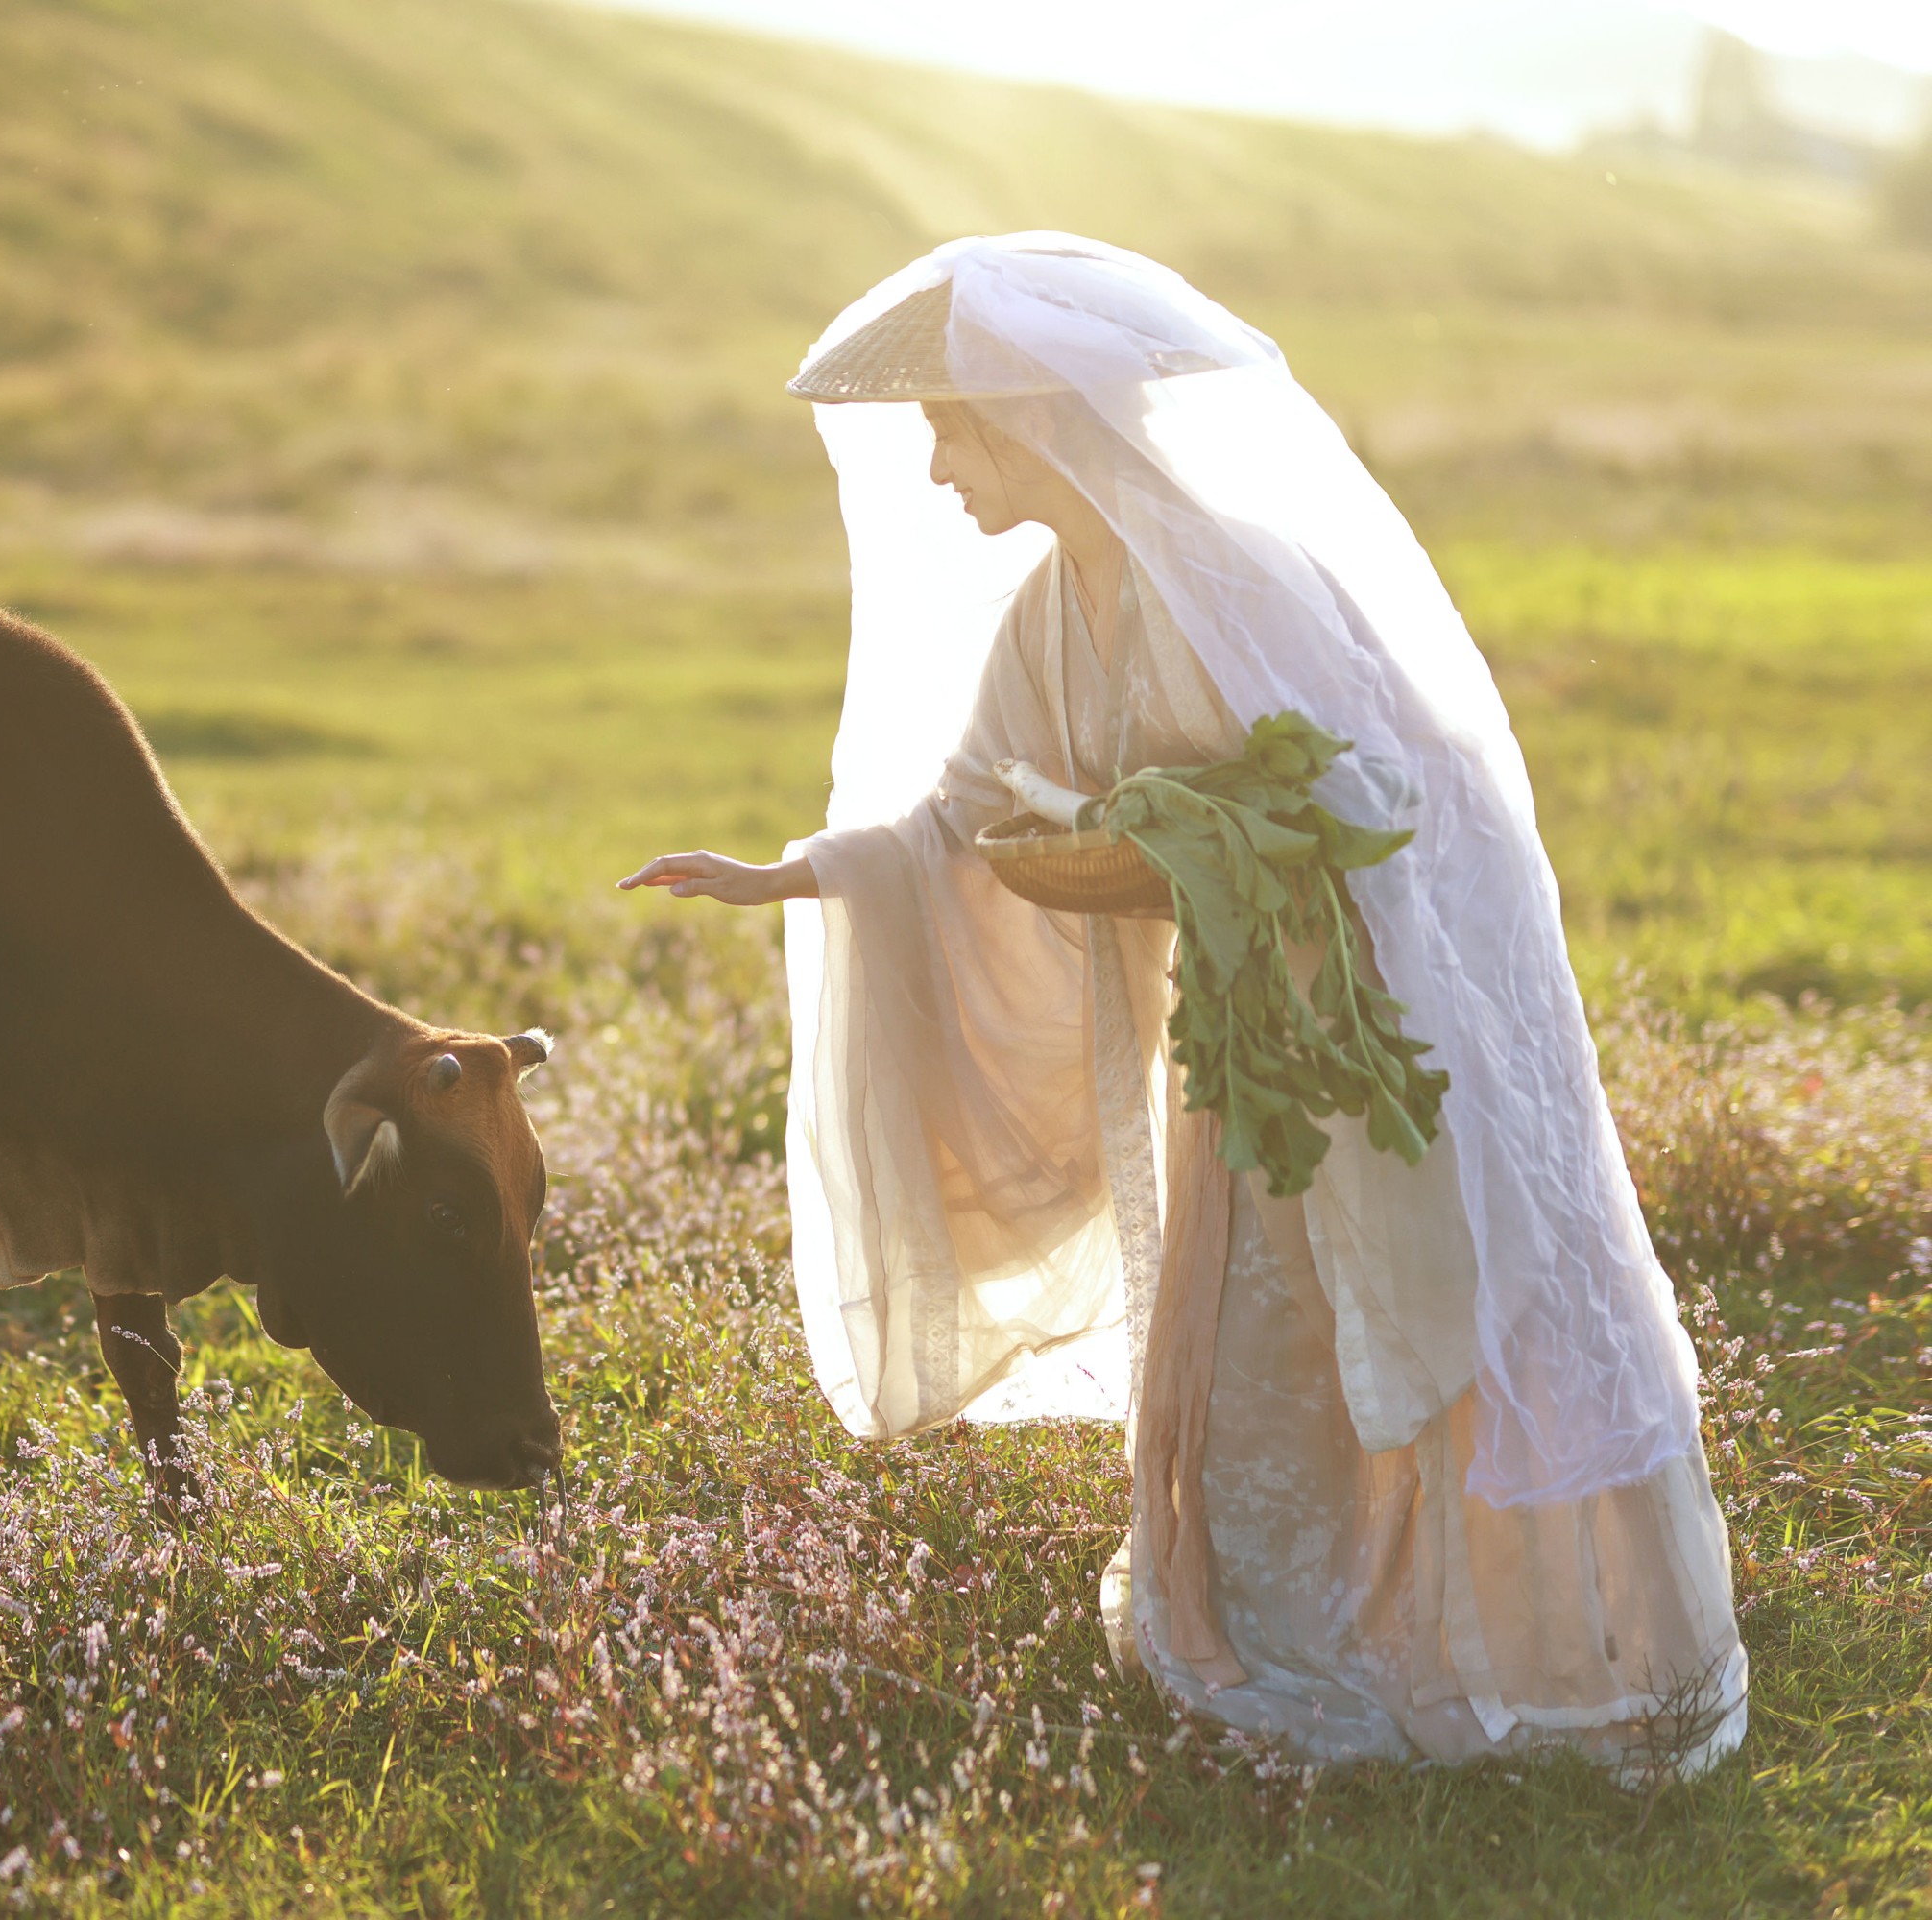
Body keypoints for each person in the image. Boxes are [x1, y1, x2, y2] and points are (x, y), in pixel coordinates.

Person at [620, 235, 1745, 1770]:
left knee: (1402, 1295)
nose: (938, 467)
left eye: (954, 429)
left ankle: (1495, 1648)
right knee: (1249, 1328)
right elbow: (967, 815)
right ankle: (1284, 1625)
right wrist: (791, 875)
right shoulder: (1046, 610)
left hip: (1356, 1026)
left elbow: (1385, 789)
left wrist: (1215, 842)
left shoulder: (1235, 576)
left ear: (1034, 417)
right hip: (1226, 1044)